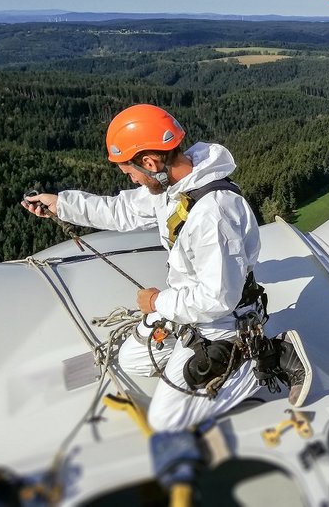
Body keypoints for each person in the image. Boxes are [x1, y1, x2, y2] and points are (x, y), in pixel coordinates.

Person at [21, 103, 311, 432]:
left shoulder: (212, 214)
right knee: (130, 360)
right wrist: (61, 204)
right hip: (186, 303)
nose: (132, 179)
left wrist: (158, 302)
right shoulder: (175, 187)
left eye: (130, 171)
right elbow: (121, 211)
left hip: (222, 322)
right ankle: (202, 356)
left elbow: (218, 299)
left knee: (166, 420)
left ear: (150, 162)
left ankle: (271, 356)